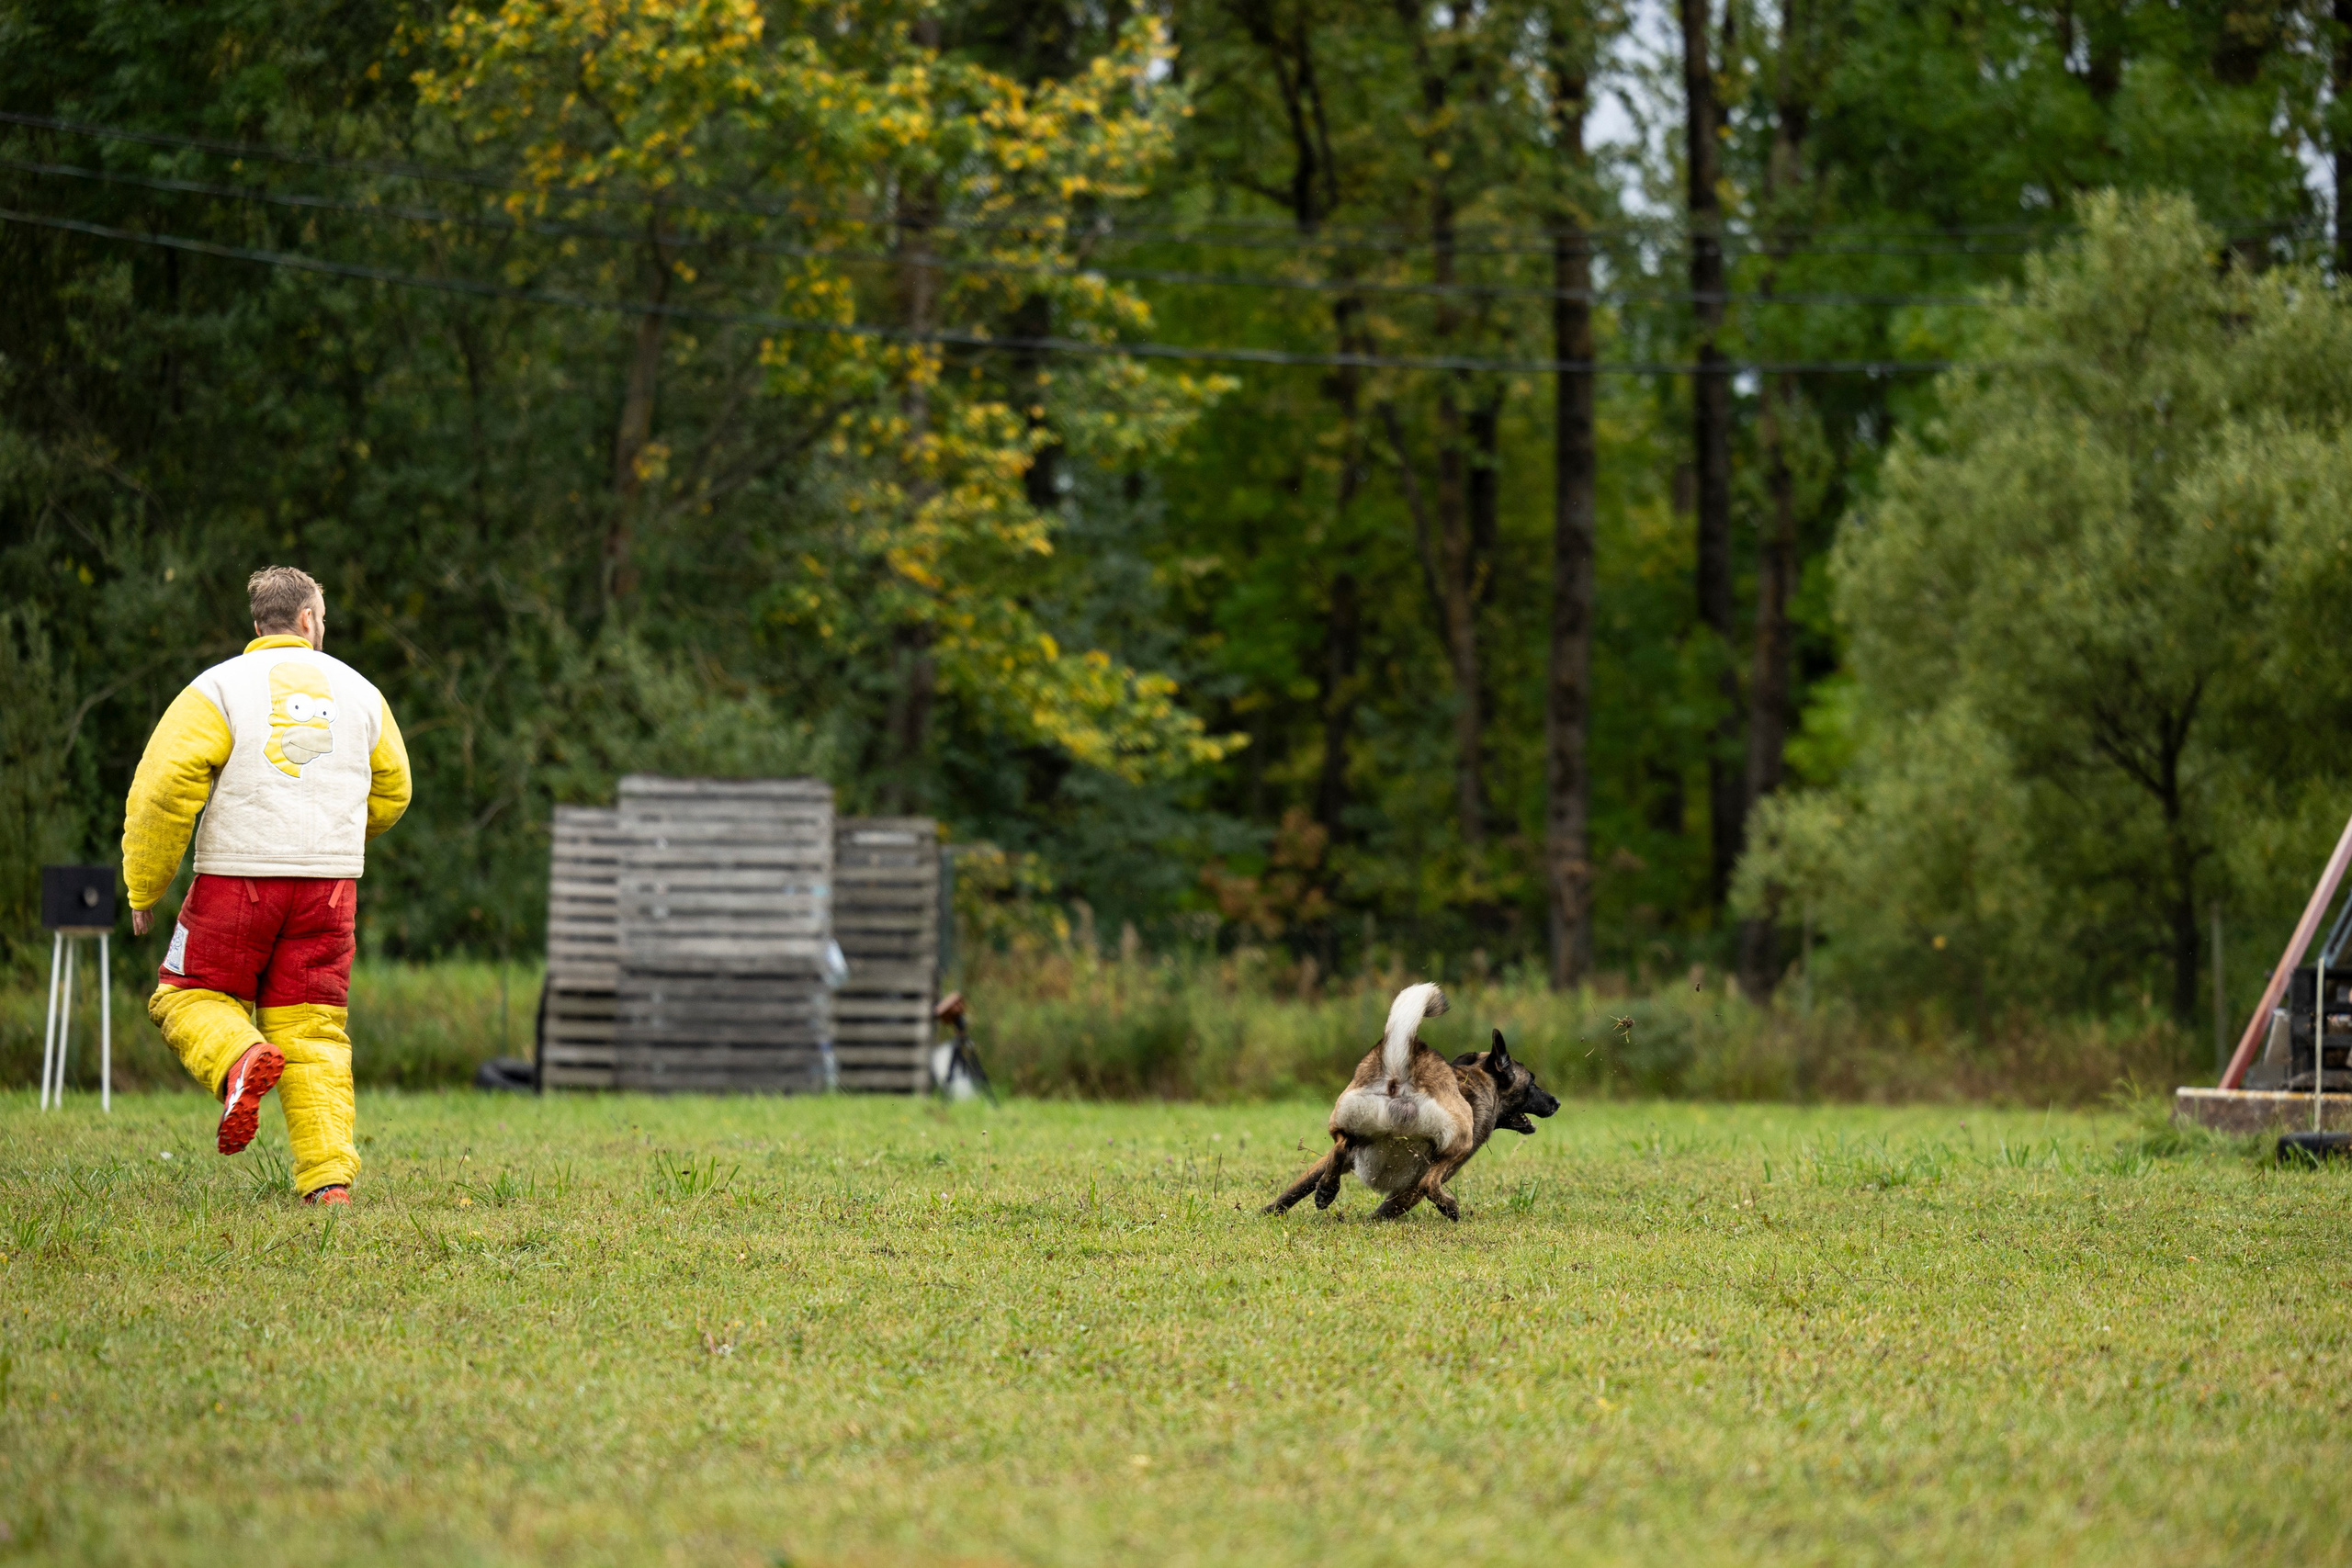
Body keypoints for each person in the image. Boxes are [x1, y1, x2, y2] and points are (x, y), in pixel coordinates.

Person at [122, 567, 412, 1205]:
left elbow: (163, 790)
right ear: (309, 620)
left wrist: (145, 886)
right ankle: (328, 1180)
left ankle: (240, 1057)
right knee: (313, 1030)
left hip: (237, 880)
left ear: (260, 625)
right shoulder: (363, 692)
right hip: (330, 888)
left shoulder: (217, 688)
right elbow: (394, 789)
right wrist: (337, 832)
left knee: (187, 995)